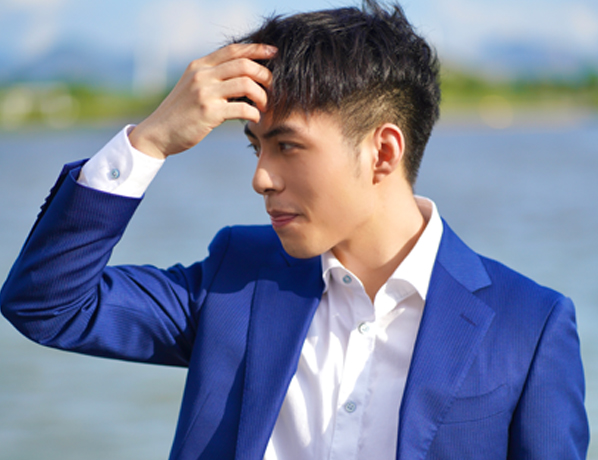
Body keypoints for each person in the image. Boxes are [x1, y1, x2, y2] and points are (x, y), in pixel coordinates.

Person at [0, 1, 589, 459]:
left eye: (286, 146)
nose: (260, 178)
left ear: (383, 152)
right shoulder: (237, 276)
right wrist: (148, 141)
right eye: (256, 147)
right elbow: (47, 305)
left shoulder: (528, 324)